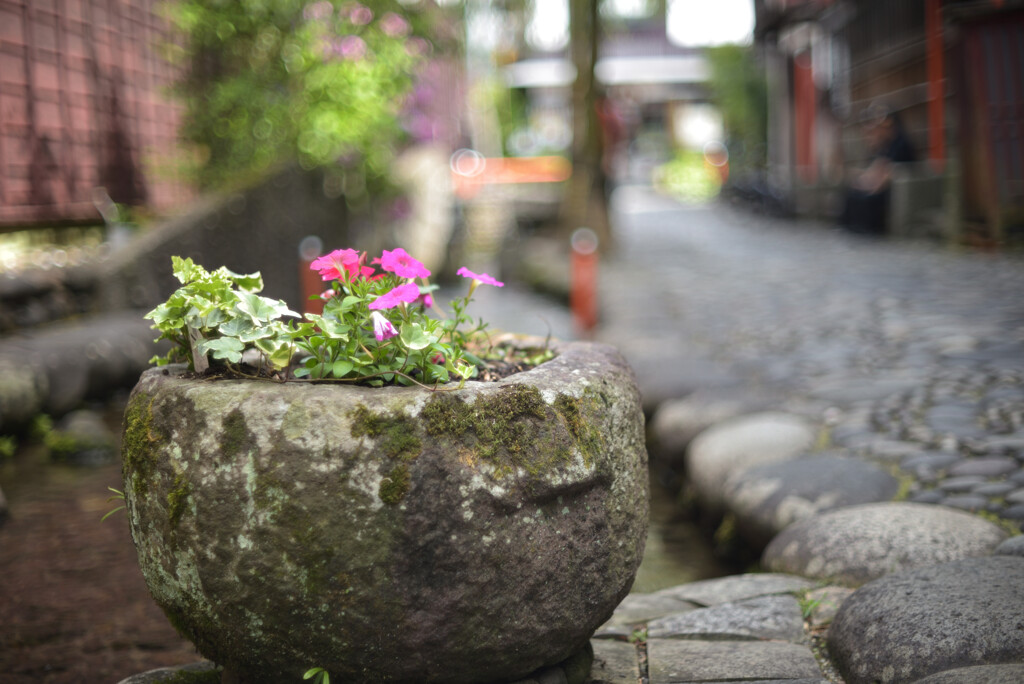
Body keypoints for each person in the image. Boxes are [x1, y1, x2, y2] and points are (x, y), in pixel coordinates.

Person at [838, 102, 916, 235]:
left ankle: (870, 230)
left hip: (894, 187)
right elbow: (877, 167)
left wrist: (871, 181)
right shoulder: (885, 145)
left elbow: (891, 171)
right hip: (881, 183)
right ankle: (852, 228)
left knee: (868, 199)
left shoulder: (901, 144)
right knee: (852, 194)